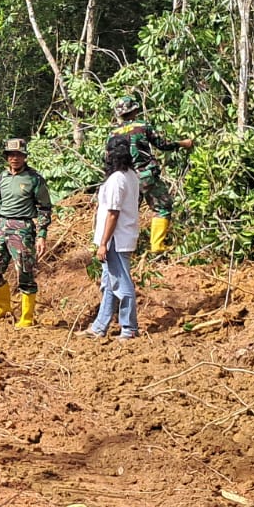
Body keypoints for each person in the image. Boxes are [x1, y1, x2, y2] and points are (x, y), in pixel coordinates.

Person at [0, 139, 52, 328]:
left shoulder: (35, 179)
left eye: (18, 155)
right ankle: (2, 308)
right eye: (11, 155)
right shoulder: (2, 178)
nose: (14, 158)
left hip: (22, 229)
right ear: (6, 157)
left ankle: (26, 318)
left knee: (25, 273)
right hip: (0, 228)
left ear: (24, 156)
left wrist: (41, 235)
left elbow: (44, 208)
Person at [111, 95, 195, 253]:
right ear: (135, 110)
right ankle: (157, 245)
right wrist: (183, 143)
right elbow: (163, 144)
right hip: (145, 175)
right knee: (163, 207)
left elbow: (108, 158)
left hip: (124, 179)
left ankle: (123, 249)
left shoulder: (113, 133)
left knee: (126, 213)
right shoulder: (142, 126)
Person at [87, 136, 142, 339]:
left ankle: (129, 328)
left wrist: (103, 243)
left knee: (121, 284)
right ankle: (99, 326)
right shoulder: (131, 176)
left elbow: (113, 212)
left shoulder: (116, 179)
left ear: (109, 154)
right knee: (109, 284)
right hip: (124, 236)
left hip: (115, 240)